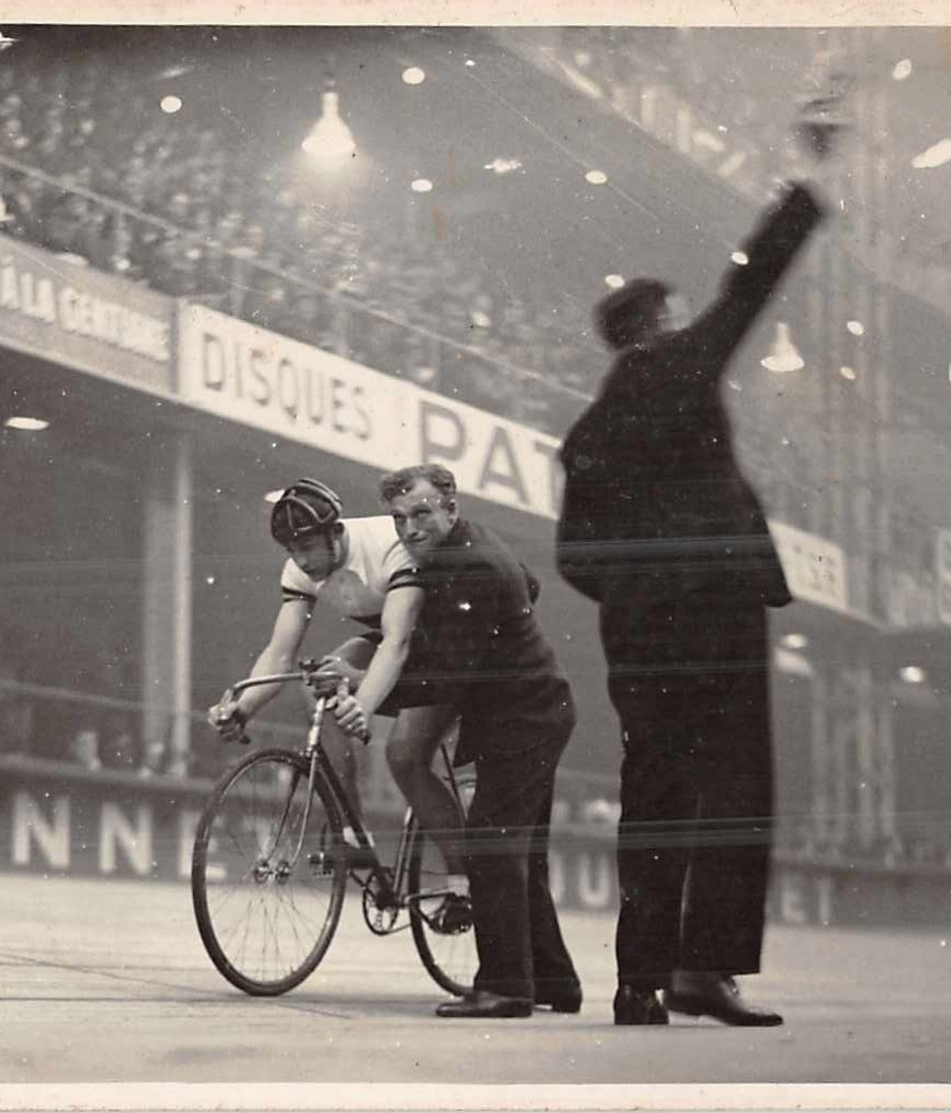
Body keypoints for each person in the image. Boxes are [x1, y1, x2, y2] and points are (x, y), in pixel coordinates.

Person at [554, 91, 850, 1026]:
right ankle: (703, 970)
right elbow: (751, 283)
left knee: (654, 794)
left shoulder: (588, 433)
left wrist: (640, 593)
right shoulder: (677, 366)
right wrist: (806, 179)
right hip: (714, 615)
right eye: (681, 319)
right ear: (660, 325)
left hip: (640, 637)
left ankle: (640, 980)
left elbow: (575, 557)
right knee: (732, 791)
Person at [330, 464, 581, 1019]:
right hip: (537, 709)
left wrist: (362, 688)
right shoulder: (471, 546)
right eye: (399, 519)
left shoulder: (463, 566)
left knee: (492, 843)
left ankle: (506, 988)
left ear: (450, 506)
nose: (410, 529)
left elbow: (449, 679)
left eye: (421, 514)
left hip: (525, 718)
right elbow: (530, 586)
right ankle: (554, 981)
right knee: (520, 854)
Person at [206, 478, 472, 929]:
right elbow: (279, 652)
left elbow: (398, 642)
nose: (303, 561)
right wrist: (244, 706)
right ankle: (352, 832)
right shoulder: (301, 570)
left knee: (405, 756)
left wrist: (363, 703)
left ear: (337, 533)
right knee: (324, 680)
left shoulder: (388, 546)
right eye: (293, 551)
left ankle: (464, 884)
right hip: (387, 641)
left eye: (309, 546)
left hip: (439, 650)